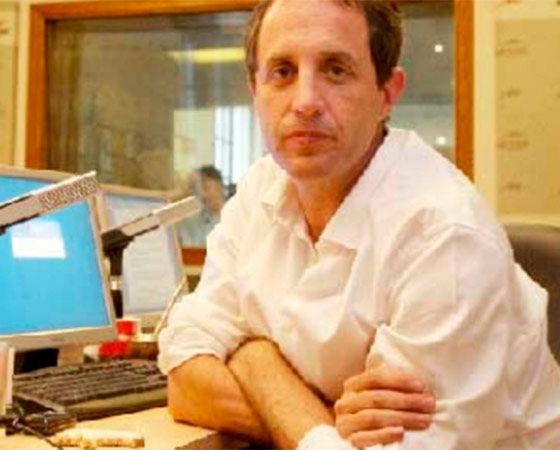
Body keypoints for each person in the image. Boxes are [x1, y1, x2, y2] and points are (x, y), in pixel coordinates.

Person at [158, 1, 560, 449]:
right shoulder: (259, 190)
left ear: (387, 93)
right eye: (282, 72)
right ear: (255, 90)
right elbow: (184, 379)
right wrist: (321, 414)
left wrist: (255, 361)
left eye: (336, 70)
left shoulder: (446, 235)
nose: (305, 102)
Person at [177, 165, 227, 247]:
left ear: (219, 187)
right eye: (198, 190)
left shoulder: (236, 218)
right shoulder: (192, 222)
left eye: (206, 188)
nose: (203, 194)